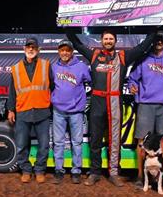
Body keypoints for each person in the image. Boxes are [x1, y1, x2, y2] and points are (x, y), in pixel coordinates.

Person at [66, 28, 156, 187]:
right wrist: (68, 26)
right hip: (97, 101)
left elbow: (142, 48)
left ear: (115, 41)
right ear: (101, 41)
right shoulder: (93, 55)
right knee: (95, 139)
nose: (108, 41)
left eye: (111, 39)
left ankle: (114, 173)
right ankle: (94, 173)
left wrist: (154, 30)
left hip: (114, 100)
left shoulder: (123, 56)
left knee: (114, 139)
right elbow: (77, 44)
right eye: (106, 39)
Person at [128, 30, 163, 188]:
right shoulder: (143, 59)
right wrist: (132, 87)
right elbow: (132, 79)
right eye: (156, 39)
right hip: (145, 105)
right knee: (141, 142)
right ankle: (140, 176)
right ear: (152, 41)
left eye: (161, 40)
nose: (159, 42)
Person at [7, 37, 52, 183]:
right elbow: (12, 92)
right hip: (23, 110)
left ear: (38, 49)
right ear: (24, 49)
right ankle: (26, 170)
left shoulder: (46, 65)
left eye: (33, 47)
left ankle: (39, 170)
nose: (31, 49)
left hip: (42, 110)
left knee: (44, 145)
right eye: (28, 47)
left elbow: (54, 87)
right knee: (21, 145)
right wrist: (11, 109)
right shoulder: (15, 69)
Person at [51, 39, 91, 184]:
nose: (65, 53)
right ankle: (59, 170)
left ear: (72, 51)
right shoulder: (54, 67)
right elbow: (50, 85)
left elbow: (91, 82)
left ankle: (76, 171)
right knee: (58, 142)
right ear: (58, 51)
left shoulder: (81, 66)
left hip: (76, 111)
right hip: (58, 111)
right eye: (62, 50)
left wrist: (81, 99)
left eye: (67, 50)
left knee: (77, 142)